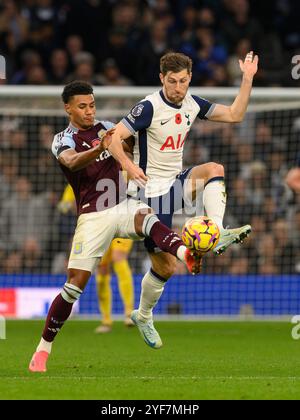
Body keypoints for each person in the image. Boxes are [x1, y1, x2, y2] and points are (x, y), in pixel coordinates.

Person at [28, 80, 202, 372]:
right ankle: (43, 350)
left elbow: (134, 140)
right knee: (74, 286)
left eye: (92, 105)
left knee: (148, 218)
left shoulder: (108, 127)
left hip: (121, 203)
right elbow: (71, 163)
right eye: (82, 106)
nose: (88, 111)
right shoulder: (62, 138)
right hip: (92, 216)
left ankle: (186, 252)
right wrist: (101, 148)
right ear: (68, 108)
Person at [108, 51, 258, 348]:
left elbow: (234, 115)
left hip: (175, 183)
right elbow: (113, 137)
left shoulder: (191, 103)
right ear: (162, 78)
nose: (178, 88)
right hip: (148, 195)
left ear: (190, 79)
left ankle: (216, 231)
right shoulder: (148, 107)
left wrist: (248, 78)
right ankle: (143, 314)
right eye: (173, 81)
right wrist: (129, 165)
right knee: (166, 268)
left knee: (214, 169)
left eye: (184, 81)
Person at [59, 184, 135, 332]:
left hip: (121, 219)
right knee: (102, 271)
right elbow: (64, 205)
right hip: (98, 227)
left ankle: (129, 313)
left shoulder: (114, 170)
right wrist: (68, 205)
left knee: (119, 257)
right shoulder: (79, 177)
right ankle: (106, 320)